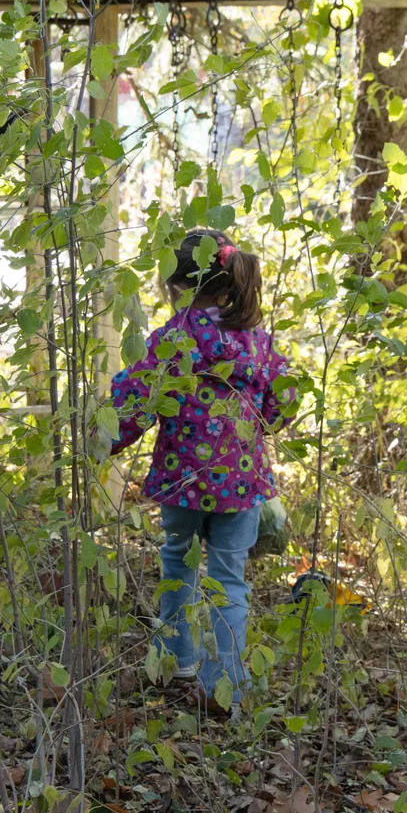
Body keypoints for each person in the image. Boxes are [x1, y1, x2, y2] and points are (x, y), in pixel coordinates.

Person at [110, 229, 293, 712]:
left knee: (179, 567)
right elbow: (284, 400)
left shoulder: (173, 339)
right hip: (242, 484)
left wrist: (104, 440)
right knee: (230, 581)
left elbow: (135, 401)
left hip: (183, 481)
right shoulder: (257, 342)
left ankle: (177, 662)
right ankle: (224, 688)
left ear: (178, 287)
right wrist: (258, 429)